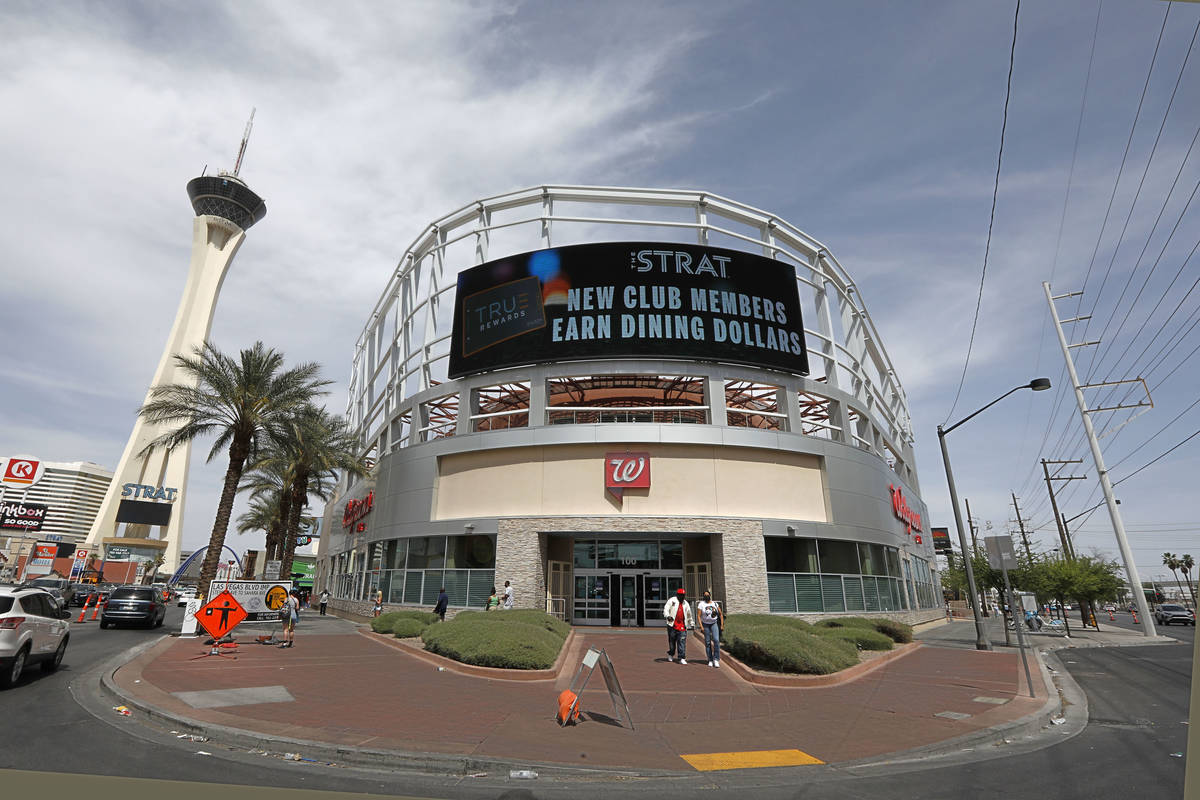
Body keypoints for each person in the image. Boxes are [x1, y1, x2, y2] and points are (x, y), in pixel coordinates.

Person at [662, 587, 694, 664]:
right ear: (677, 595)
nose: (682, 597)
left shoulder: (685, 603)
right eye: (680, 595)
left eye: (683, 595)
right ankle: (671, 654)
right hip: (672, 625)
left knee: (682, 642)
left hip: (682, 626)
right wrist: (668, 616)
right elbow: (666, 609)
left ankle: (682, 657)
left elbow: (689, 614)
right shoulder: (672, 600)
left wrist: (691, 623)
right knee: (672, 642)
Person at [695, 590, 723, 667]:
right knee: (707, 642)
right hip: (705, 624)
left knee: (716, 640)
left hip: (714, 623)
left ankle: (716, 659)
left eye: (708, 595)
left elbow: (720, 614)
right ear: (703, 596)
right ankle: (710, 659)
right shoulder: (701, 604)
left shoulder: (715, 604)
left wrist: (722, 625)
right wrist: (701, 626)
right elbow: (698, 615)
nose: (706, 596)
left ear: (710, 595)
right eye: (705, 595)